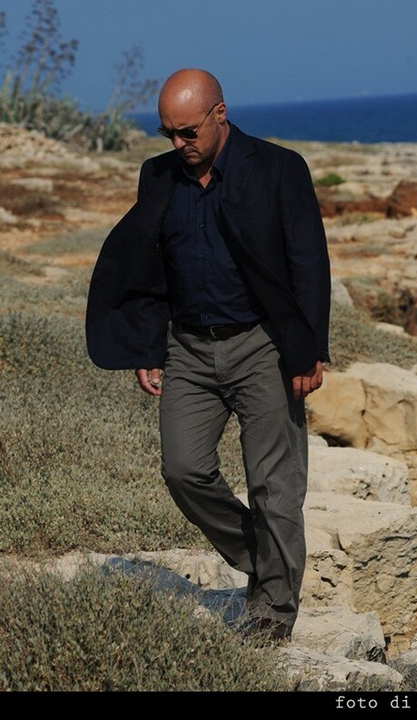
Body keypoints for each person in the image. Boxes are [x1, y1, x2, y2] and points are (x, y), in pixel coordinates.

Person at [85, 68, 332, 645]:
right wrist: (149, 346)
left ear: (220, 114)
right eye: (168, 132)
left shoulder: (279, 168)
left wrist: (308, 351)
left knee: (274, 483)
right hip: (188, 348)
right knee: (183, 468)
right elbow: (149, 267)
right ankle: (264, 558)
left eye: (188, 131)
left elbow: (309, 263)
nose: (179, 144)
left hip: (262, 346)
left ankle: (273, 609)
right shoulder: (159, 175)